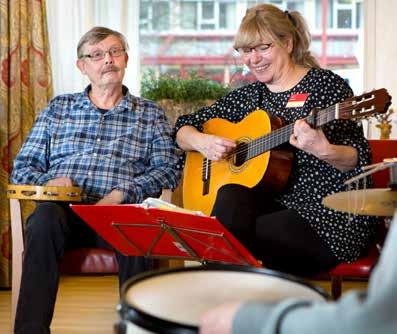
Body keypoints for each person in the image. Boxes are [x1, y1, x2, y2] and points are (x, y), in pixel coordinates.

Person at [175, 3, 378, 276]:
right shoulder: (247, 97)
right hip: (275, 204)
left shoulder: (325, 87)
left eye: (263, 48)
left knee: (244, 234)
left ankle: (225, 301)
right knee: (230, 198)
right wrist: (203, 142)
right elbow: (182, 128)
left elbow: (357, 159)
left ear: (288, 43)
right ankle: (228, 300)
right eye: (246, 50)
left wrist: (324, 149)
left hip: (328, 214)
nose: (253, 59)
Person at [10, 26, 180, 334]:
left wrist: (122, 193)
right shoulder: (59, 108)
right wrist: (51, 182)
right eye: (97, 54)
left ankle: (137, 329)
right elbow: (23, 167)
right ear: (82, 65)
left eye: (115, 52)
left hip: (119, 212)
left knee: (137, 224)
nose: (108, 60)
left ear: (126, 59)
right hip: (65, 214)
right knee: (44, 219)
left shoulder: (150, 113)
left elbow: (168, 168)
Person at [199, 210, 397, 334]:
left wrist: (249, 320)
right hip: (288, 210)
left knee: (244, 230)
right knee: (230, 198)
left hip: (330, 226)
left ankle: (218, 301)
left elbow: (372, 321)